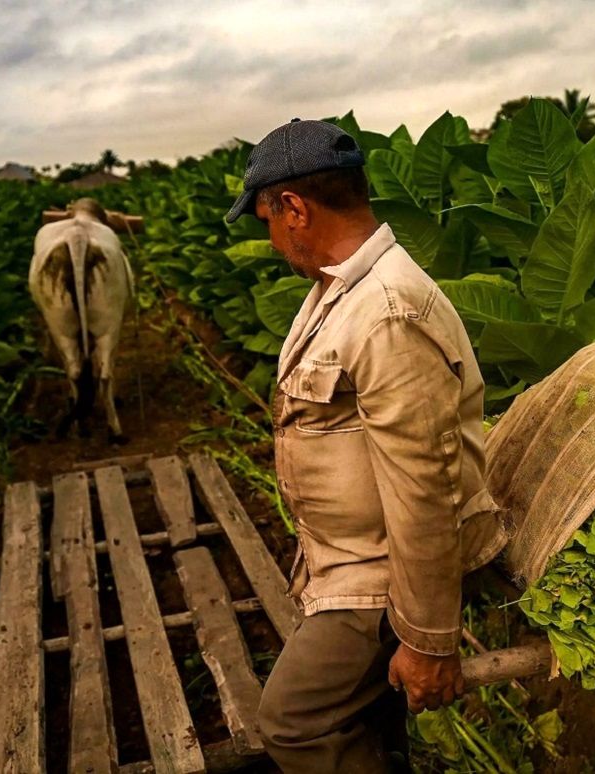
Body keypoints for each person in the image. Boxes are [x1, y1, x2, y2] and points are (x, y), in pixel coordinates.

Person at [225, 118, 508, 773]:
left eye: (267, 218)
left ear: (294, 207)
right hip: (345, 563)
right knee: (367, 725)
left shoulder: (385, 310)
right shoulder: (341, 289)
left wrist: (429, 640)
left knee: (293, 723)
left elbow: (425, 486)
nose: (270, 240)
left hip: (378, 581)